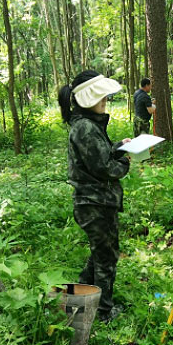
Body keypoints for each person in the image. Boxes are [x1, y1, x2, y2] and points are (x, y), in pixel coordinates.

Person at [58, 70, 131, 323]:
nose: (105, 101)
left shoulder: (87, 124)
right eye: (100, 97)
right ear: (87, 99)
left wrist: (117, 147)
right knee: (105, 258)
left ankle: (78, 296)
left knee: (101, 253)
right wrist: (125, 161)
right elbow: (105, 168)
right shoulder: (86, 128)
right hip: (95, 203)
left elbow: (97, 156)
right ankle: (103, 312)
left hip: (97, 201)